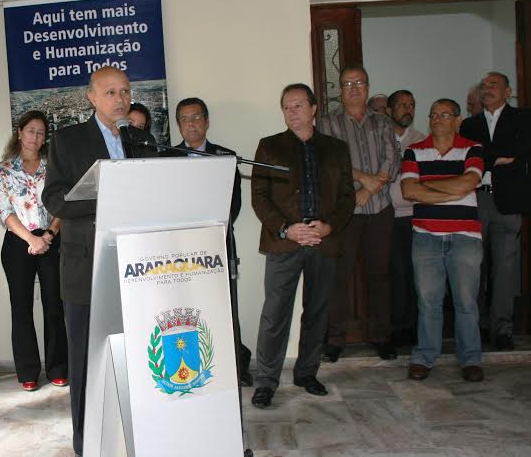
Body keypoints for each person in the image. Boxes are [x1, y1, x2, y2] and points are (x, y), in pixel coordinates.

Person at [42, 66, 156, 456]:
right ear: (91, 97)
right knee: (87, 364)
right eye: (110, 92)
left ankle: (134, 434)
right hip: (85, 267)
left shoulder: (142, 139)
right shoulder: (68, 140)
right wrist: (107, 196)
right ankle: (87, 443)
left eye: (125, 91)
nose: (120, 99)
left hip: (137, 267)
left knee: (137, 357)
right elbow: (55, 200)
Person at [250, 84, 354, 408]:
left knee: (317, 312)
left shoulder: (336, 148)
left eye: (298, 105)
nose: (292, 112)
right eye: (286, 107)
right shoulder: (269, 147)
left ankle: (307, 373)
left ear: (313, 109)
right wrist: (286, 229)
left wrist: (328, 226)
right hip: (285, 243)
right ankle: (266, 382)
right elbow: (259, 196)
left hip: (323, 241)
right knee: (275, 314)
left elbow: (347, 197)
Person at [164, 97, 253, 386]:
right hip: (178, 250)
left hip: (217, 244)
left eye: (197, 117)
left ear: (207, 121)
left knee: (224, 308)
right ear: (178, 125)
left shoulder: (226, 156)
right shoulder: (165, 158)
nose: (191, 123)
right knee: (186, 309)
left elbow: (234, 204)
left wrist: (211, 231)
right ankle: (192, 367)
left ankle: (237, 367)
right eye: (185, 119)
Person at [317, 64, 400, 362]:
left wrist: (369, 190)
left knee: (380, 274)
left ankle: (382, 336)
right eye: (348, 84)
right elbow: (328, 163)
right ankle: (335, 338)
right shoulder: (327, 123)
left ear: (367, 87)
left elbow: (393, 161)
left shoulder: (382, 122)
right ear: (341, 90)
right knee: (339, 275)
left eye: (360, 83)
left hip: (379, 209)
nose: (354, 88)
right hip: (344, 212)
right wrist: (362, 182)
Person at [401, 99, 484, 382]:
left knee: (466, 301)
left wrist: (427, 186)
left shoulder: (472, 148)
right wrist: (452, 190)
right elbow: (409, 190)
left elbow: (469, 183)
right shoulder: (414, 151)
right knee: (428, 301)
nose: (437, 119)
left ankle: (471, 359)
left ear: (457, 120)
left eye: (444, 114)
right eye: (433, 114)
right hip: (426, 237)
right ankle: (424, 357)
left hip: (465, 238)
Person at [0, 111, 68, 392]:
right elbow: (3, 211)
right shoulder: (3, 169)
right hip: (17, 243)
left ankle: (59, 367)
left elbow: (63, 204)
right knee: (20, 308)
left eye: (40, 132)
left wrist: (48, 235)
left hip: (51, 239)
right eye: (31, 130)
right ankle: (28, 371)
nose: (35, 137)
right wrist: (30, 239)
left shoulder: (53, 167)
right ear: (20, 132)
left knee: (55, 306)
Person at [460, 72, 530, 350]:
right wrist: (498, 158)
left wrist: (487, 155)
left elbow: (520, 149)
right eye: (484, 86)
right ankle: (475, 326)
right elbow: (469, 156)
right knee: (472, 267)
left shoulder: (523, 118)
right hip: (475, 200)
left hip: (508, 202)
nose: (487, 89)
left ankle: (502, 329)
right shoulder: (469, 124)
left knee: (505, 268)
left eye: (493, 85)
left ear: (508, 91)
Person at [386, 91, 426, 347]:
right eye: (401, 105)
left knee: (414, 273)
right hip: (387, 217)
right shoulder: (380, 138)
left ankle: (412, 329)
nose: (407, 109)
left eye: (411, 105)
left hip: (415, 216)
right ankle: (394, 328)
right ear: (389, 110)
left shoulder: (422, 140)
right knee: (394, 273)